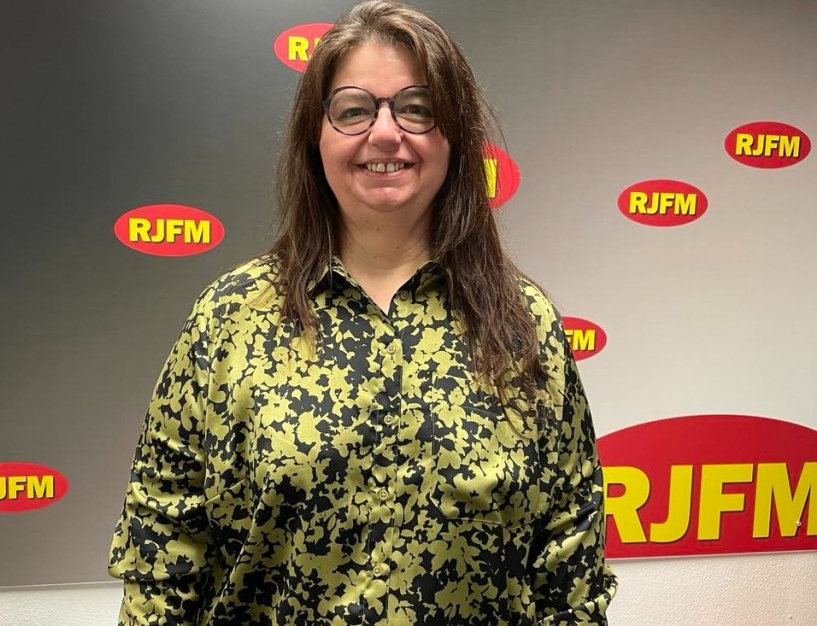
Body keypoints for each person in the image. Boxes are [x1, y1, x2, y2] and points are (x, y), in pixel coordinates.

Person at [108, 1, 617, 624]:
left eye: (417, 108)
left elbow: (569, 565)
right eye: (353, 110)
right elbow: (163, 542)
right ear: (314, 137)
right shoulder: (230, 317)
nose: (385, 133)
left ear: (454, 136)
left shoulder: (521, 323)